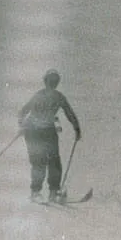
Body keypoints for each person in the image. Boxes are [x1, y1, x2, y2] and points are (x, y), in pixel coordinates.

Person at [18, 69, 81, 202]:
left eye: (55, 81)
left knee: (54, 161)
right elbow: (24, 110)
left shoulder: (59, 97)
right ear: (46, 81)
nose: (53, 84)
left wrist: (76, 128)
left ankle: (53, 191)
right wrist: (22, 125)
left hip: (48, 130)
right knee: (38, 160)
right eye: (51, 81)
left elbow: (69, 112)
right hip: (33, 130)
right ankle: (35, 192)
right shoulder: (38, 96)